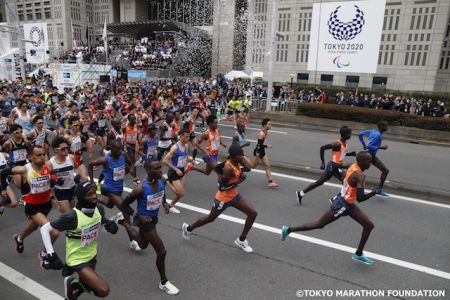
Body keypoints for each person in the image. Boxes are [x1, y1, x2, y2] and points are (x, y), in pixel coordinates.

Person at [281, 151, 378, 265]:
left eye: (371, 160)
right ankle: (288, 230)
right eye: (368, 161)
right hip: (342, 205)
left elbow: (338, 165)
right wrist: (374, 192)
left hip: (348, 203)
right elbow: (361, 198)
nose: (370, 163)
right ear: (361, 161)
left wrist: (334, 168)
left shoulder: (353, 165)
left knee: (369, 225)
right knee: (319, 224)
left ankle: (358, 254)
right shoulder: (360, 176)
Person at [39, 181, 118, 299]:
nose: (94, 196)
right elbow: (45, 229)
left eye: (94, 192)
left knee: (81, 289)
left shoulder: (99, 209)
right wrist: (50, 254)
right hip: (77, 260)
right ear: (81, 197)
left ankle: (73, 290)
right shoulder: (72, 217)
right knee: (103, 290)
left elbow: (99, 221)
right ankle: (73, 284)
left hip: (91, 255)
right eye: (89, 194)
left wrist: (108, 223)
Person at [120, 159, 180, 295]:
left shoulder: (160, 181)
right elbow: (124, 204)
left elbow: (162, 193)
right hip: (144, 221)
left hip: (153, 219)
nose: (160, 171)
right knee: (162, 251)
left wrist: (164, 204)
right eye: (156, 169)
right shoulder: (140, 189)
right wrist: (137, 214)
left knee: (142, 245)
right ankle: (164, 282)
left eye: (160, 168)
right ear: (147, 170)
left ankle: (123, 223)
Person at [182, 144, 257, 253]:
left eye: (243, 154)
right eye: (241, 155)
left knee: (253, 214)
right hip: (223, 198)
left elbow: (249, 168)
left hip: (234, 196)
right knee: (210, 219)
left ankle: (241, 240)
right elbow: (222, 187)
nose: (243, 156)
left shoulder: (238, 161)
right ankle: (188, 228)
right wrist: (238, 181)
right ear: (233, 156)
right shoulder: (228, 168)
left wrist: (244, 165)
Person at [1, 145, 60, 258]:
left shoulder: (47, 166)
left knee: (34, 226)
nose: (42, 157)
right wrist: (3, 189)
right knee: (54, 232)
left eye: (44, 154)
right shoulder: (24, 169)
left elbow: (48, 184)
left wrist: (54, 189)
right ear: (30, 157)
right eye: (38, 155)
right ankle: (45, 256)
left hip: (46, 204)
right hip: (33, 206)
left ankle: (19, 238)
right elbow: (3, 174)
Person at [88, 139, 140, 250]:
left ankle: (93, 198)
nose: (120, 152)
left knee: (110, 204)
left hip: (119, 188)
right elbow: (90, 165)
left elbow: (131, 163)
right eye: (117, 150)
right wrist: (92, 181)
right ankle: (132, 241)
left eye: (121, 149)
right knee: (126, 211)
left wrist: (131, 169)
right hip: (109, 189)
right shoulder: (105, 159)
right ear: (111, 150)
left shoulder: (122, 155)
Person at [296, 126, 356, 204]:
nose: (350, 135)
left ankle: (300, 193)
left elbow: (341, 153)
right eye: (349, 134)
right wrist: (323, 162)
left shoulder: (345, 142)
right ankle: (335, 199)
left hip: (337, 166)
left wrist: (349, 154)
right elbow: (322, 148)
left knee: (320, 182)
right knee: (347, 182)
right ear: (344, 134)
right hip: (333, 166)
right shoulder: (337, 144)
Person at [47, 136, 88, 213]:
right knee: (68, 214)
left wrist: (78, 175)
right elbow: (46, 178)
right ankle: (57, 204)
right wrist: (55, 181)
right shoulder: (50, 163)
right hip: (60, 191)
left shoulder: (71, 157)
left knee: (72, 211)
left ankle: (60, 208)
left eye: (67, 148)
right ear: (56, 150)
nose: (66, 151)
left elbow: (77, 168)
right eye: (63, 149)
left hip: (72, 188)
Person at [162, 128, 191, 214]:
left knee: (179, 193)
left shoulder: (186, 145)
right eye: (186, 137)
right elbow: (165, 160)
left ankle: (171, 206)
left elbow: (185, 157)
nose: (188, 139)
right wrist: (176, 169)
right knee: (181, 193)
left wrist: (190, 160)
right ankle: (166, 179)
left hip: (182, 171)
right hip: (174, 172)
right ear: (181, 136)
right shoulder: (175, 148)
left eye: (189, 137)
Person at [358, 121, 390, 197]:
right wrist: (381, 147)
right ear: (381, 126)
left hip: (369, 154)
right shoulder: (378, 135)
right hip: (369, 155)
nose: (387, 127)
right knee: (385, 171)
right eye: (386, 126)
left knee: (358, 170)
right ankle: (379, 190)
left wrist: (363, 144)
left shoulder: (373, 131)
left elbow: (360, 134)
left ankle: (348, 182)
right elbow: (369, 146)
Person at [252, 118, 279, 188]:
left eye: (271, 124)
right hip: (258, 152)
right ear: (264, 125)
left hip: (262, 151)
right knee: (252, 166)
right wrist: (267, 146)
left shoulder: (265, 131)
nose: (271, 125)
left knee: (267, 166)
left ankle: (271, 182)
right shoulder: (262, 133)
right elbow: (259, 145)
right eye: (269, 124)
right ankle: (239, 170)